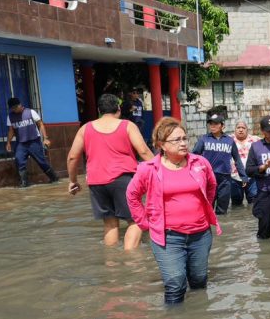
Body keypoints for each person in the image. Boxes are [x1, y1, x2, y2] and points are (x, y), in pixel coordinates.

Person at [126, 117, 221, 305]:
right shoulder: (149, 169)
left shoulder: (199, 163)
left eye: (185, 138)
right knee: (175, 283)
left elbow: (211, 185)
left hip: (200, 234)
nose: (183, 143)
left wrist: (204, 209)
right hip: (168, 237)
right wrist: (145, 223)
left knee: (199, 281)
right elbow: (132, 196)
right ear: (161, 145)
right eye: (177, 140)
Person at [66, 93, 154, 249]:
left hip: (96, 182)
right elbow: (144, 152)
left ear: (99, 110)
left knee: (110, 223)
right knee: (136, 220)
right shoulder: (127, 125)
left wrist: (73, 181)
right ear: (118, 109)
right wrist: (160, 171)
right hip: (123, 180)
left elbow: (72, 157)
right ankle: (132, 261)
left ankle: (111, 263)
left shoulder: (85, 128)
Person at [192, 114, 247, 215]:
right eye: (211, 124)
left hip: (225, 179)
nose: (212, 126)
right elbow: (194, 157)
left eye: (216, 124)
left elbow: (237, 159)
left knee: (222, 209)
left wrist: (243, 176)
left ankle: (222, 229)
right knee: (207, 207)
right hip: (208, 178)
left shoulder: (230, 141)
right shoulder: (203, 139)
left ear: (222, 126)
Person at [5, 97, 59, 187]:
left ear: (20, 105)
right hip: (21, 143)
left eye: (15, 107)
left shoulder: (30, 112)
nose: (14, 110)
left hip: (34, 141)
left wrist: (45, 138)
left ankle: (54, 178)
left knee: (41, 161)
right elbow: (11, 131)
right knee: (19, 159)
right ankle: (24, 182)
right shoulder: (10, 116)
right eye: (12, 108)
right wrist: (8, 142)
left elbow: (40, 124)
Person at [230, 120, 259, 206]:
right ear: (235, 130)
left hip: (252, 177)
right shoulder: (228, 140)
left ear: (247, 130)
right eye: (238, 128)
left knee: (254, 202)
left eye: (243, 128)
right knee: (236, 203)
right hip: (234, 177)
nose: (241, 130)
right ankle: (239, 218)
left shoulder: (255, 140)